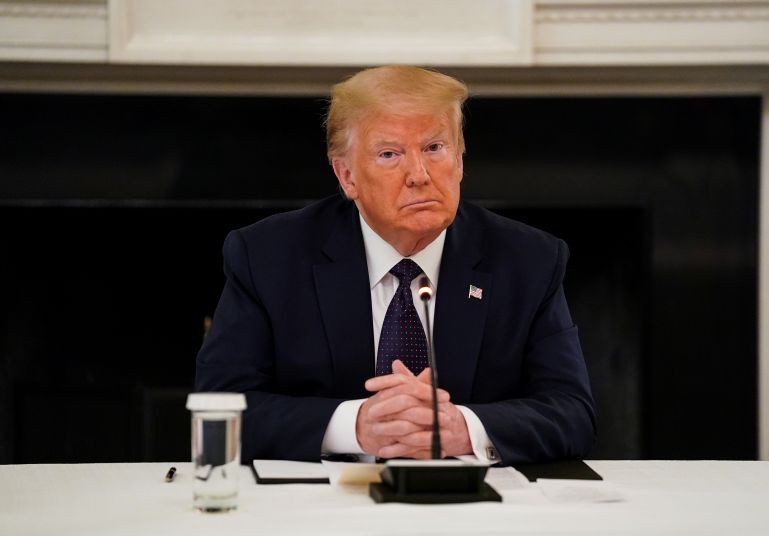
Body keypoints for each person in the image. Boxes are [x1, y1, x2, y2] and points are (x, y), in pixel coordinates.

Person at [195, 66, 596, 465]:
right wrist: (356, 427)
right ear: (347, 175)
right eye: (390, 154)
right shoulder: (268, 256)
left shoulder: (528, 259)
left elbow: (573, 414)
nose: (419, 175)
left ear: (459, 160)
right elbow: (218, 407)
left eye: (435, 148)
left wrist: (462, 428)